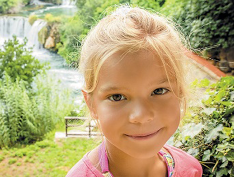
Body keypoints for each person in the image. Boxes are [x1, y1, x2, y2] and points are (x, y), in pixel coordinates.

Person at [66, 6, 203, 177]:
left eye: (159, 91)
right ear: (91, 103)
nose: (141, 115)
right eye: (117, 97)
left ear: (180, 91)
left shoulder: (191, 170)